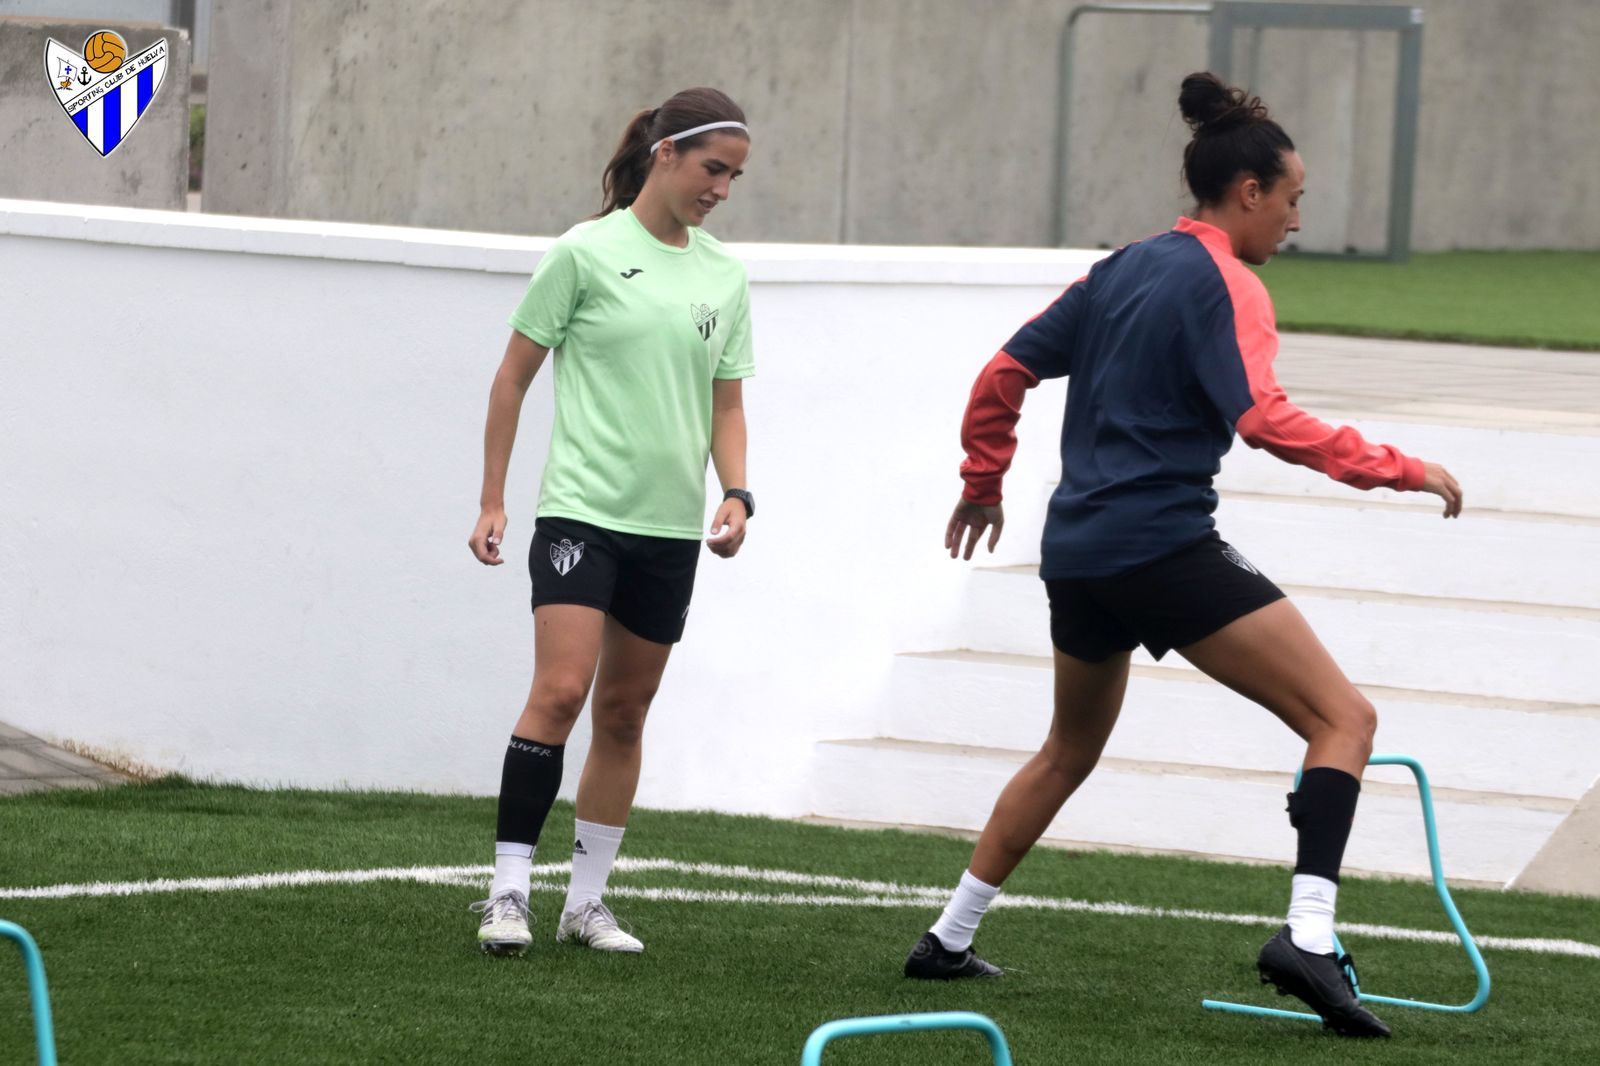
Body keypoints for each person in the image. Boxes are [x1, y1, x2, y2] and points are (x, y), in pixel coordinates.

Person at [901, 72, 1462, 1039]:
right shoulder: (1228, 282)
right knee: (1345, 719)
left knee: (1069, 748)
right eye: (1293, 200)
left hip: (1076, 553)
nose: (1294, 220)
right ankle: (1310, 939)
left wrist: (984, 481)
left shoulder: (1122, 266)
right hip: (1159, 547)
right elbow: (1267, 420)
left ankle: (948, 937)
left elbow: (1006, 370)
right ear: (1248, 192)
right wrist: (1402, 468)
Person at [466, 87, 755, 958]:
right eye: (714, 169)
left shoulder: (724, 276)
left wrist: (738, 494)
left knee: (625, 712)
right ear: (665, 154)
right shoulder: (584, 254)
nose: (723, 190)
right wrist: (492, 498)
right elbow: (511, 378)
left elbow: (726, 403)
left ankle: (585, 905)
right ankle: (508, 892)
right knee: (560, 694)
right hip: (580, 513)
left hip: (668, 530)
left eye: (736, 177)